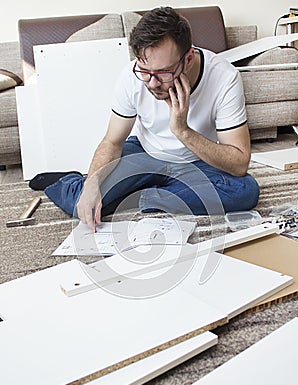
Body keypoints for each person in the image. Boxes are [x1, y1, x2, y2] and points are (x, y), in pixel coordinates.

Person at [31, 6, 260, 232]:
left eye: (163, 72)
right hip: (145, 153)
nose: (151, 83)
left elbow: (239, 163)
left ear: (188, 58)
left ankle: (146, 196)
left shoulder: (223, 78)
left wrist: (183, 131)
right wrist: (92, 185)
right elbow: (112, 142)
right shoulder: (131, 77)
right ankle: (72, 182)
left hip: (198, 163)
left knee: (245, 192)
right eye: (144, 71)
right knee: (83, 203)